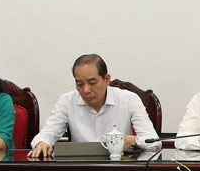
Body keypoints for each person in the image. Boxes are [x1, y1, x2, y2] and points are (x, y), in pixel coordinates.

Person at [29, 54, 159, 159]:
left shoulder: (129, 100)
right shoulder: (67, 101)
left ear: (106, 79)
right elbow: (47, 133)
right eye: (80, 84)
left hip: (120, 168)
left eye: (92, 83)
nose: (86, 90)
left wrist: (133, 141)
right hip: (80, 168)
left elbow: (154, 143)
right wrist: (42, 142)